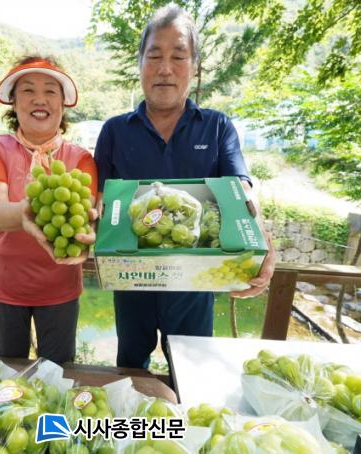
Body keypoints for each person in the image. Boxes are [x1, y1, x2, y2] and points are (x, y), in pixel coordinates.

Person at [94, 6, 276, 369]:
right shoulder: (114, 130)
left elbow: (241, 189)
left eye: (178, 56)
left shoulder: (217, 126)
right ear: (140, 64)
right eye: (154, 56)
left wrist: (259, 237)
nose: (165, 68)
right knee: (130, 369)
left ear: (194, 67)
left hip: (195, 282)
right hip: (132, 279)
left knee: (192, 373)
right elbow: (98, 200)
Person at [0, 56, 97, 364]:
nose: (39, 99)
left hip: (60, 288)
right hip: (5, 286)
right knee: (8, 370)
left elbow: (85, 216)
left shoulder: (82, 159)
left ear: (63, 105)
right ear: (13, 103)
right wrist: (27, 213)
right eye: (28, 90)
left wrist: (90, 231)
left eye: (50, 91)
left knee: (56, 373)